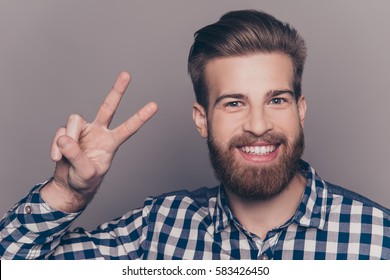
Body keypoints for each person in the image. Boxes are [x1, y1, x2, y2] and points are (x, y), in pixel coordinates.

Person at [0, 9, 388, 260]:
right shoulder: (157, 229)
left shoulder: (378, 239)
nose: (257, 125)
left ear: (300, 109)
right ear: (202, 119)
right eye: (234, 103)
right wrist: (67, 193)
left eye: (277, 100)